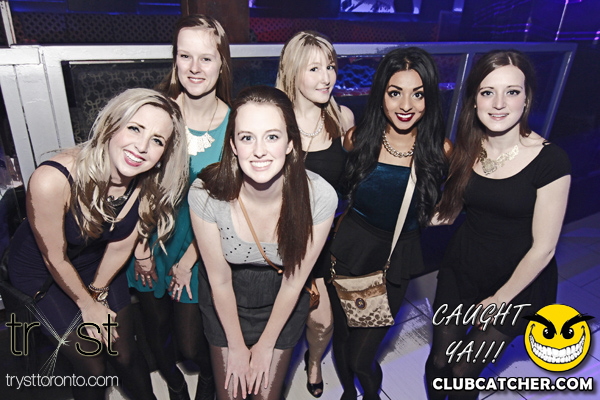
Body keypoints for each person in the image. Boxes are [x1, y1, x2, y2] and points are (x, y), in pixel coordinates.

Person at [8, 88, 189, 400]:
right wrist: (88, 305)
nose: (142, 147)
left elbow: (120, 245)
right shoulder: (53, 179)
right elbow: (54, 258)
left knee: (125, 351)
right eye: (135, 128)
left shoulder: (148, 183)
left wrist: (97, 291)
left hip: (98, 262)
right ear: (111, 126)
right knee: (93, 368)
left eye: (157, 140)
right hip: (43, 272)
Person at [425, 50, 571, 400]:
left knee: (463, 371)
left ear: (527, 98)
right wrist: (395, 215)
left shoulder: (550, 160)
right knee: (440, 361)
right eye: (488, 92)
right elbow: (449, 212)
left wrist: (500, 299)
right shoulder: (468, 147)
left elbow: (544, 248)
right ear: (474, 99)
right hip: (463, 267)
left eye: (512, 91)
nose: (499, 103)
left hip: (517, 280)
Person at [189, 85, 337, 400]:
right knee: (231, 395)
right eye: (247, 138)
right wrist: (236, 347)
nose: (259, 151)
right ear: (233, 145)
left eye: (272, 136)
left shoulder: (320, 197)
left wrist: (266, 344)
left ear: (290, 143)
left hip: (282, 302)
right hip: (226, 300)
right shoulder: (205, 193)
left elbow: (294, 283)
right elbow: (219, 280)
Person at [328, 47, 449, 400]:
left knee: (362, 357)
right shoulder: (356, 140)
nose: (406, 105)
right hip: (348, 249)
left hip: (394, 259)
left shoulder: (439, 151)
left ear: (430, 98)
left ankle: (369, 393)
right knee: (343, 336)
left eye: (418, 94)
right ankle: (349, 393)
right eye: (395, 92)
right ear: (381, 94)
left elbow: (457, 197)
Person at [125, 14, 232, 400]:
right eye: (185, 56)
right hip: (148, 238)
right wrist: (140, 249)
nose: (194, 67)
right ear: (175, 60)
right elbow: (133, 185)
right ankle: (173, 384)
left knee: (190, 343)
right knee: (156, 333)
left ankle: (208, 380)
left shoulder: (235, 125)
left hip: (200, 246)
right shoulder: (156, 114)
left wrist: (189, 261)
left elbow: (229, 204)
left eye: (206, 57)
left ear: (222, 62)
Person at [275, 30, 355, 398]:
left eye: (331, 67)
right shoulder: (276, 122)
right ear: (292, 72)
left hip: (324, 240)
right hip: (281, 239)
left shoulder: (342, 117)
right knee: (277, 322)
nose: (327, 78)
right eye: (314, 69)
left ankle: (315, 361)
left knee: (322, 323)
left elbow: (354, 181)